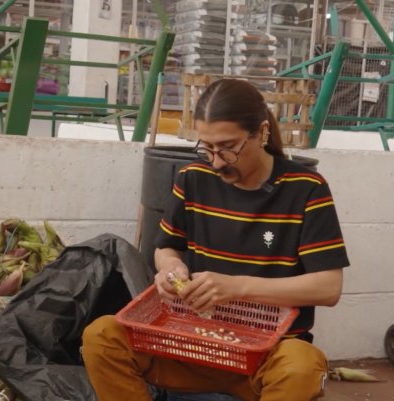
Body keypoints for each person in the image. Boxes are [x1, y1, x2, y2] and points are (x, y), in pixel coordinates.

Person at [81, 79, 350, 401]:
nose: (218, 161)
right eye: (206, 148)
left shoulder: (306, 188)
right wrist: (170, 270)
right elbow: (167, 247)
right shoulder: (194, 178)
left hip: (263, 359)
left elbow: (328, 287)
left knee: (302, 367)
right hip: (188, 345)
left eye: (228, 147)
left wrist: (237, 287)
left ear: (262, 133)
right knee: (102, 336)